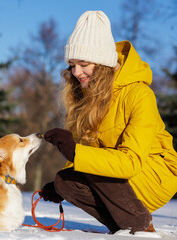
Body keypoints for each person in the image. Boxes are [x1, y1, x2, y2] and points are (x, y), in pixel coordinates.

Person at [39, 10, 177, 234]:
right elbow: (91, 154)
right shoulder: (87, 97)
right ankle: (122, 227)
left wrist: (75, 152)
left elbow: (129, 161)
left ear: (102, 63)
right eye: (72, 65)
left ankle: (140, 225)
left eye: (83, 64)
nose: (76, 72)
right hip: (117, 179)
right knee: (64, 181)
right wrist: (59, 187)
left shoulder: (139, 95)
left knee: (98, 167)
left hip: (154, 174)